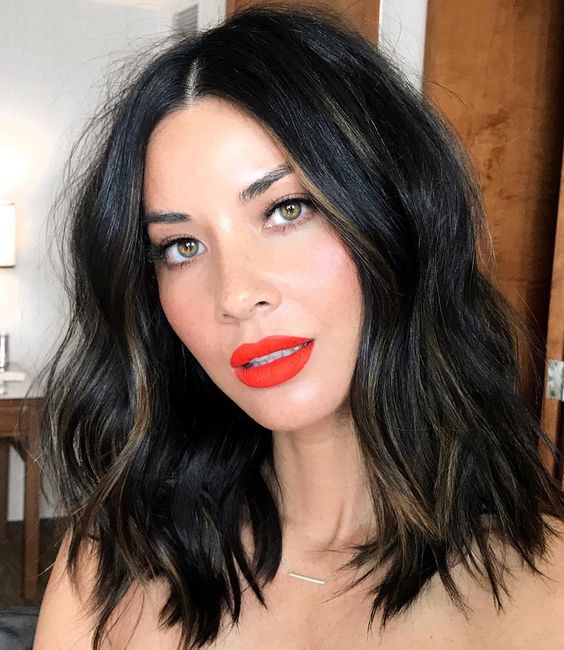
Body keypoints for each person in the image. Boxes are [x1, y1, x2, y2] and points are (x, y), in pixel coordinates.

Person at [34, 3, 564, 649]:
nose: (237, 294)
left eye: (287, 209)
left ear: (397, 215)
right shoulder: (114, 560)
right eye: (181, 246)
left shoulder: (546, 593)